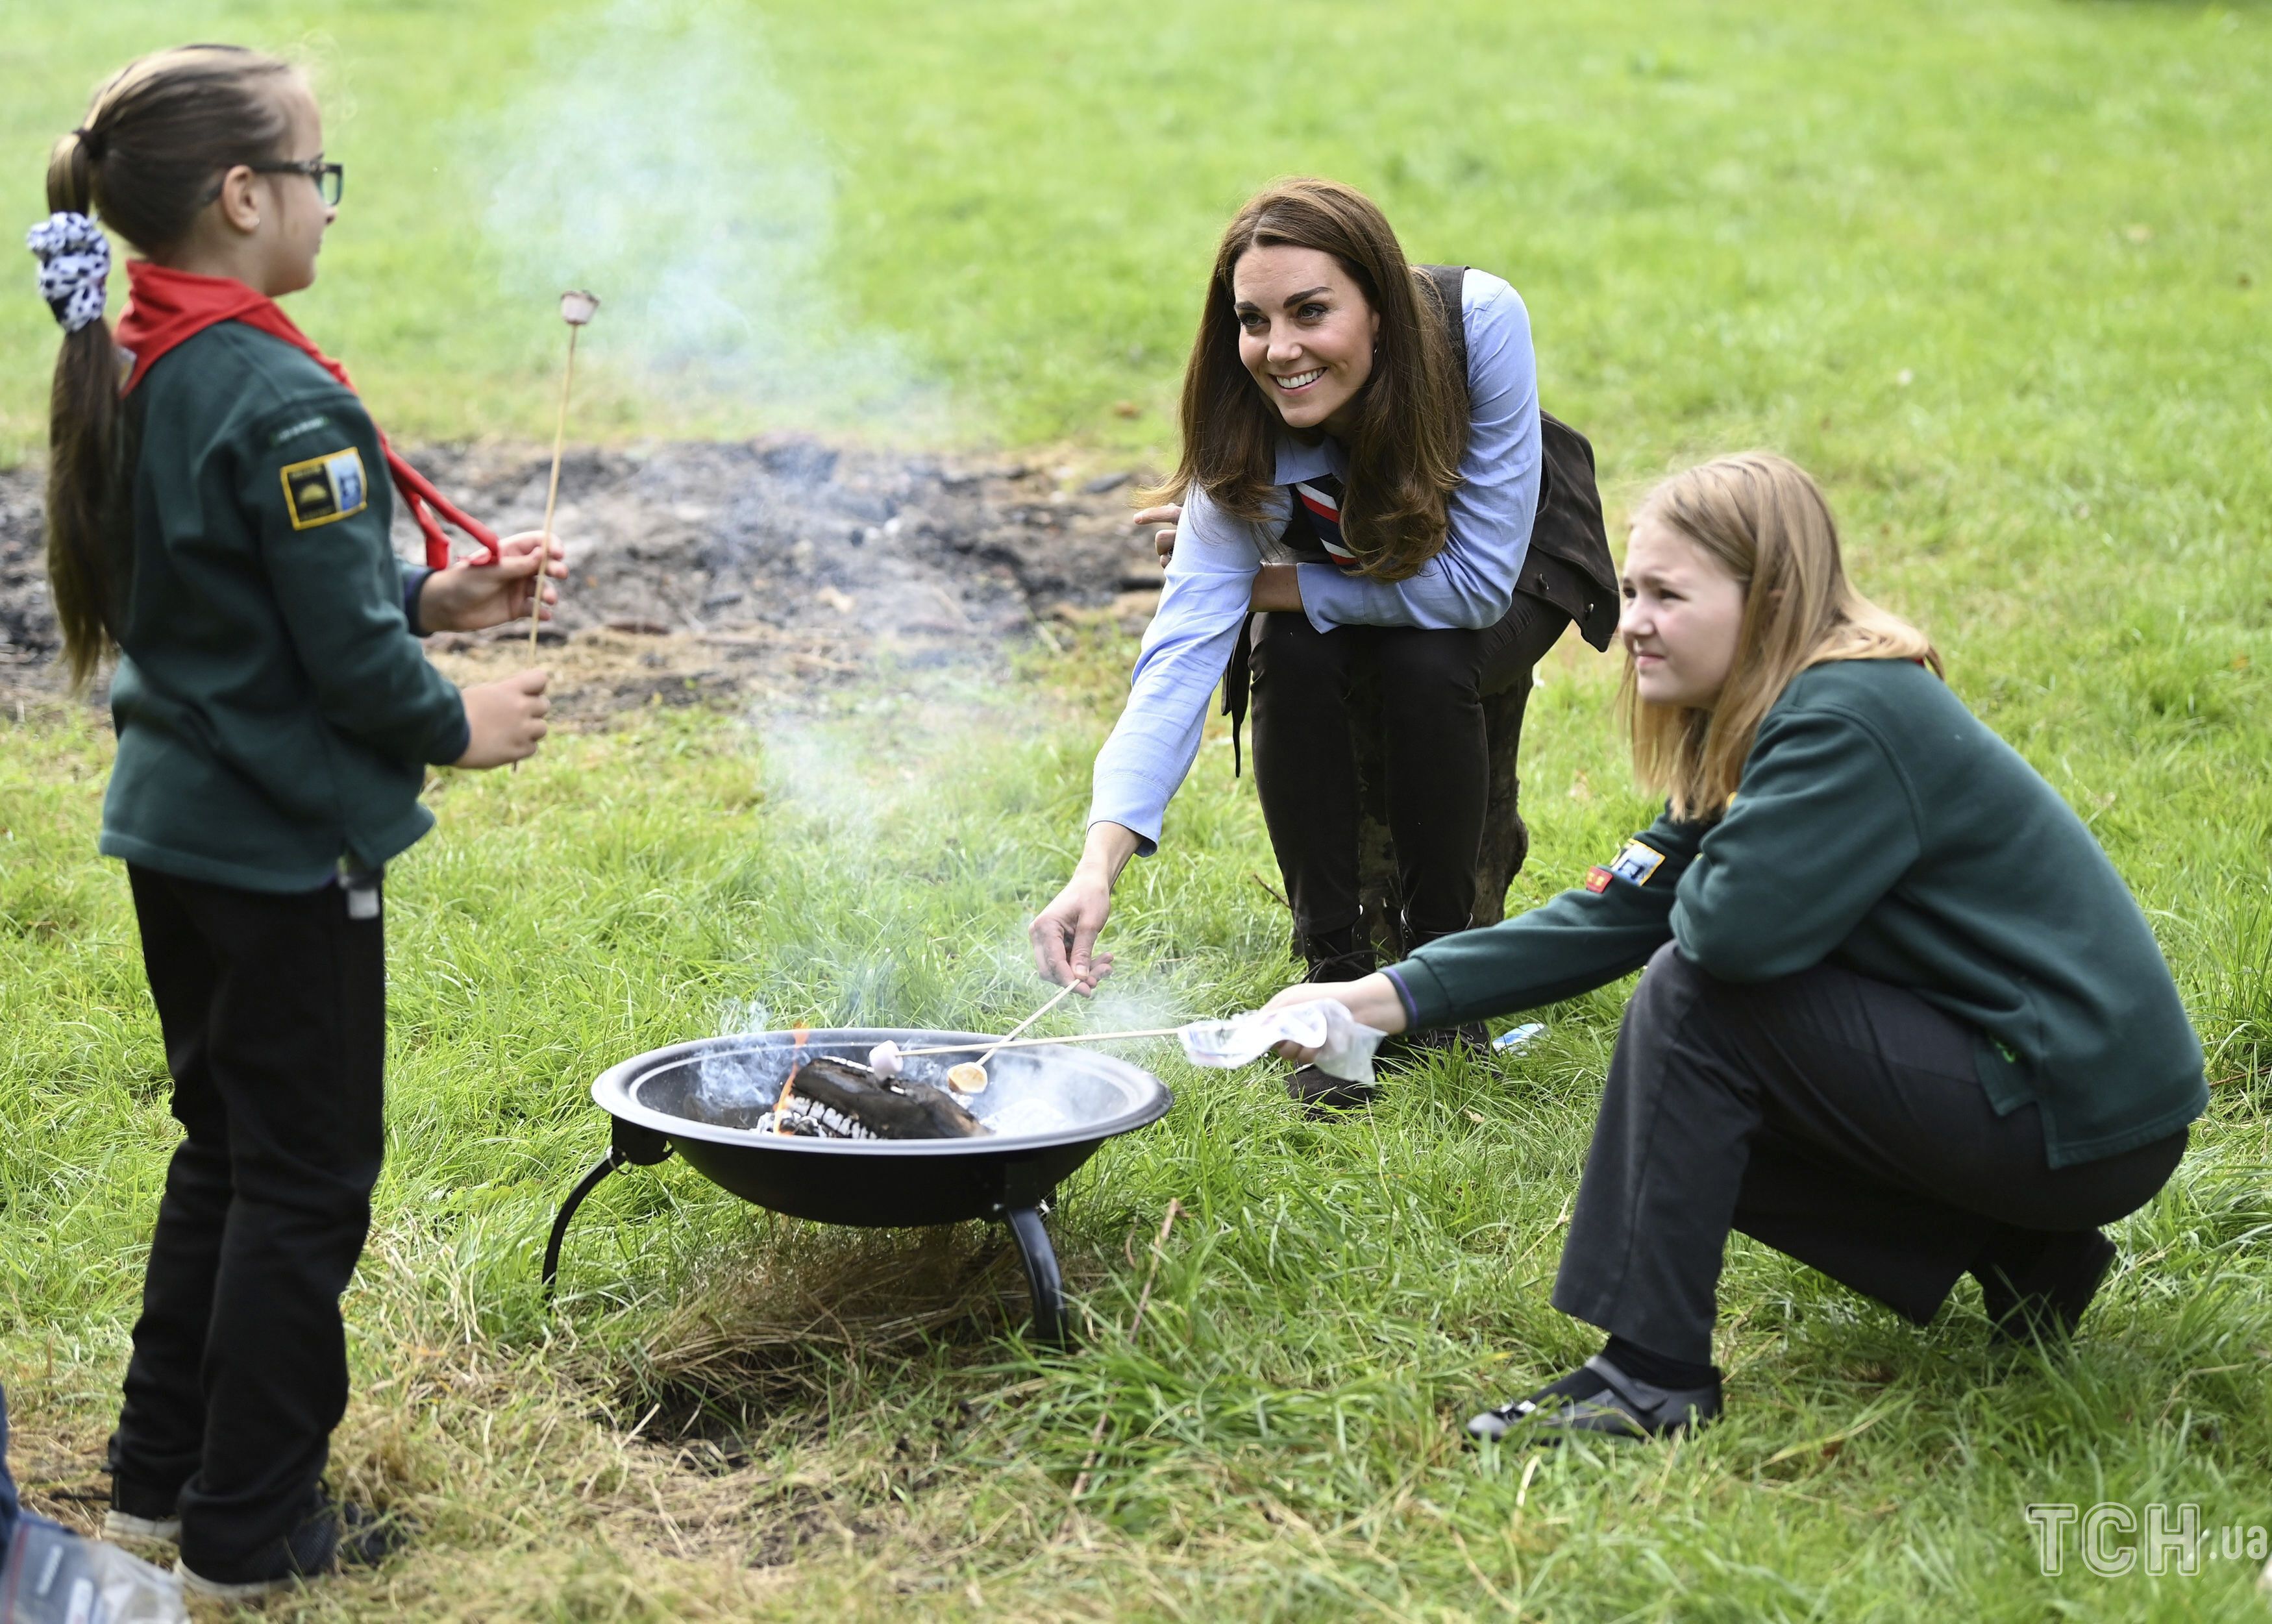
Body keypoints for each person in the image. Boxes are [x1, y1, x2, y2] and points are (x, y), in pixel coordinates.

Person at [1260, 453, 2204, 1443]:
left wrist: (1704, 824)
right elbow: (1616, 911)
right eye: (1630, 590)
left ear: (1772, 601)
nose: (1632, 623)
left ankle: (1649, 1376)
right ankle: (2020, 1252)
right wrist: (1370, 999)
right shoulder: (1781, 713)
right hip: (2062, 1101)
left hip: (2079, 1106)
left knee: (1697, 1009)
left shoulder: (1845, 718)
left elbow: (1716, 935)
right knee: (1688, 1106)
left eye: (1668, 594)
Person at [31, 45, 563, 1595]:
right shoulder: (274, 390)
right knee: (309, 1180)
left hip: (175, 830)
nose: (328, 207)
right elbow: (343, 663)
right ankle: (254, 1529)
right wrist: (460, 716)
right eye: (316, 177)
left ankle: (153, 1483)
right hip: (280, 851)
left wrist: (432, 594)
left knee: (225, 1147)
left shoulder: (135, 347)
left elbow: (230, 592)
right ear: (243, 196)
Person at [1030, 179, 1609, 1105]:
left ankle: (1440, 980)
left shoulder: (1478, 320)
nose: (1279, 349)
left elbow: (1469, 587)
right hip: (1354, 549)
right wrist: (1095, 866)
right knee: (1289, 649)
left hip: (1511, 559)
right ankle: (1329, 976)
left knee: (1425, 657)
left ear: (1378, 306)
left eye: (1311, 311)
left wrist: (1267, 583)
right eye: (1253, 321)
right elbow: (1178, 656)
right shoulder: (1240, 433)